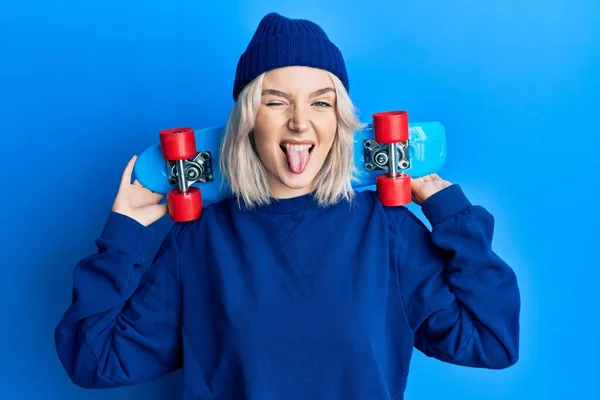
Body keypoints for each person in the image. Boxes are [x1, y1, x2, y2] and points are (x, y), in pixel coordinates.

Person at [54, 12, 520, 400]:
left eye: (320, 102)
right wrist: (124, 233)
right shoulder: (200, 239)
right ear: (247, 120)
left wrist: (450, 212)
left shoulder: (386, 231)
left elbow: (493, 339)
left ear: (340, 121)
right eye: (276, 102)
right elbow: (94, 360)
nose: (300, 122)